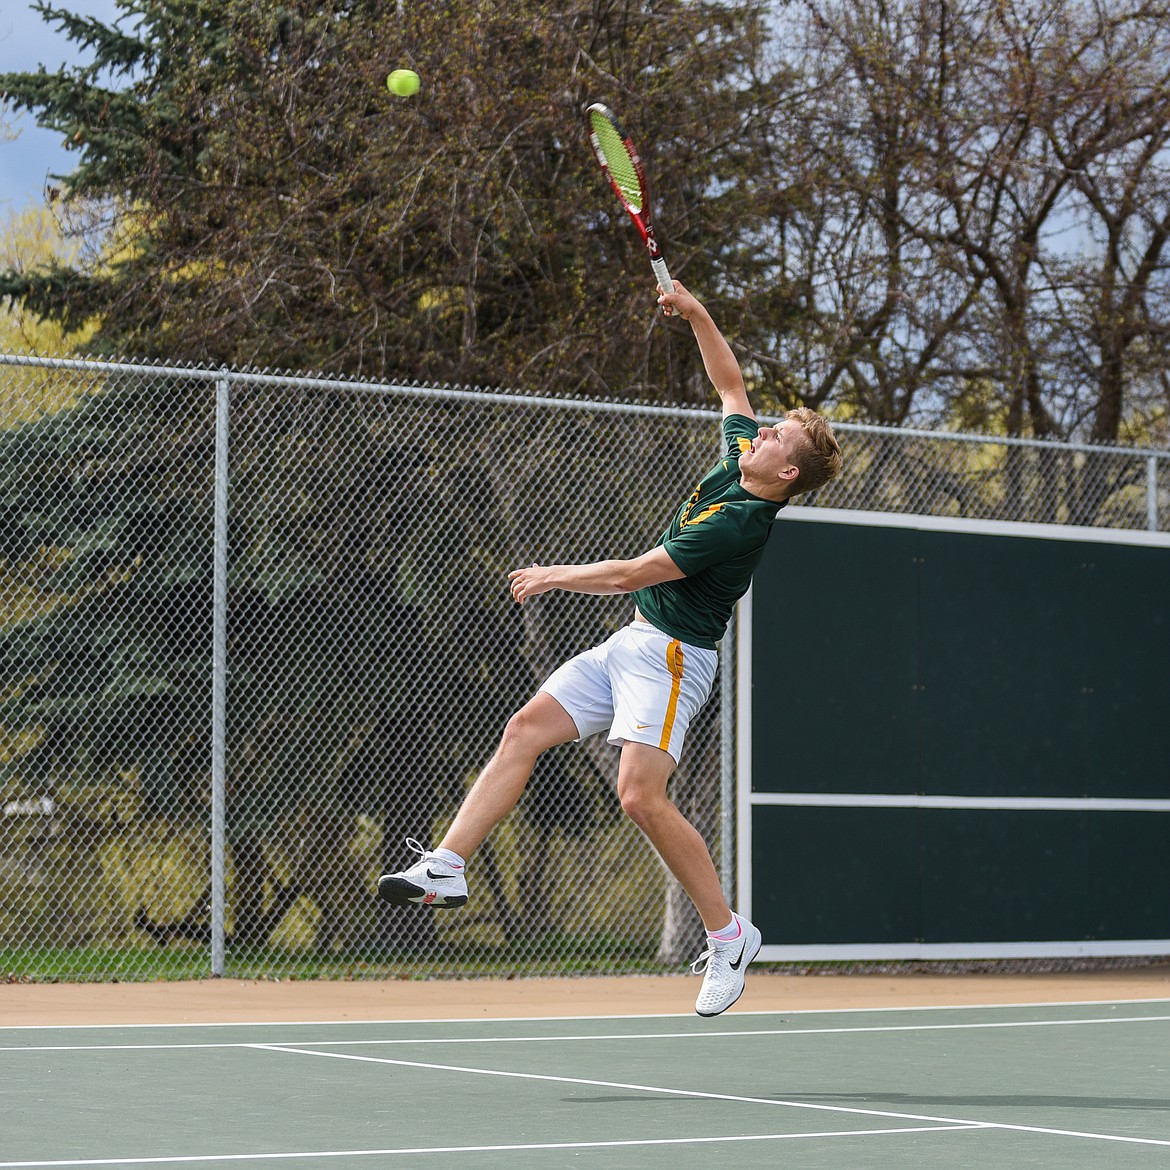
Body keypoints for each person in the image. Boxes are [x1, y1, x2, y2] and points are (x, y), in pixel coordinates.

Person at [378, 281, 843, 1016]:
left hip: (674, 659)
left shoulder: (742, 523)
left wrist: (554, 574)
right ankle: (447, 865)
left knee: (638, 797)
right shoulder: (739, 460)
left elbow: (634, 572)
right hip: (632, 642)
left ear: (786, 474)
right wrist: (693, 312)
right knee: (524, 728)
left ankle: (728, 935)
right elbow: (730, 383)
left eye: (779, 435)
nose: (765, 431)